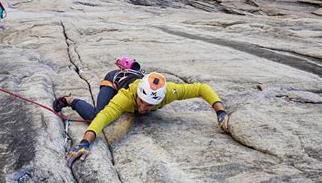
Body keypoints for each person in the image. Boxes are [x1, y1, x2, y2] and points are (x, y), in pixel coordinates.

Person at [66, 71, 229, 167]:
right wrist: (85, 142)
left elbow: (201, 88)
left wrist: (220, 112)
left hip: (136, 76)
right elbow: (104, 116)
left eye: (150, 105)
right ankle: (70, 100)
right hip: (114, 80)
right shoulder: (125, 97)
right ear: (137, 95)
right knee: (95, 114)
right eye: (141, 102)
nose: (143, 108)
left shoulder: (169, 92)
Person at [53, 57, 143, 121]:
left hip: (127, 79)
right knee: (95, 116)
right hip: (112, 81)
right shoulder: (129, 92)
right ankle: (69, 100)